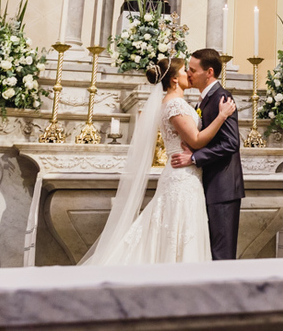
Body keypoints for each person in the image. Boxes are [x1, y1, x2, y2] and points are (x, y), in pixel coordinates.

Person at [81, 58, 236, 265]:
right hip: (183, 178)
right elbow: (197, 140)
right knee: (178, 231)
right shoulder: (174, 104)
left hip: (186, 175)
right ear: (174, 79)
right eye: (184, 70)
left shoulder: (176, 103)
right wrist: (222, 116)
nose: (188, 74)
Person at [170, 49, 244, 260]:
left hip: (223, 187)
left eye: (193, 70)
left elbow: (231, 143)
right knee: (209, 252)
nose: (189, 74)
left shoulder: (222, 97)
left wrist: (193, 158)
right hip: (209, 184)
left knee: (221, 254)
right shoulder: (204, 100)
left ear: (209, 72)